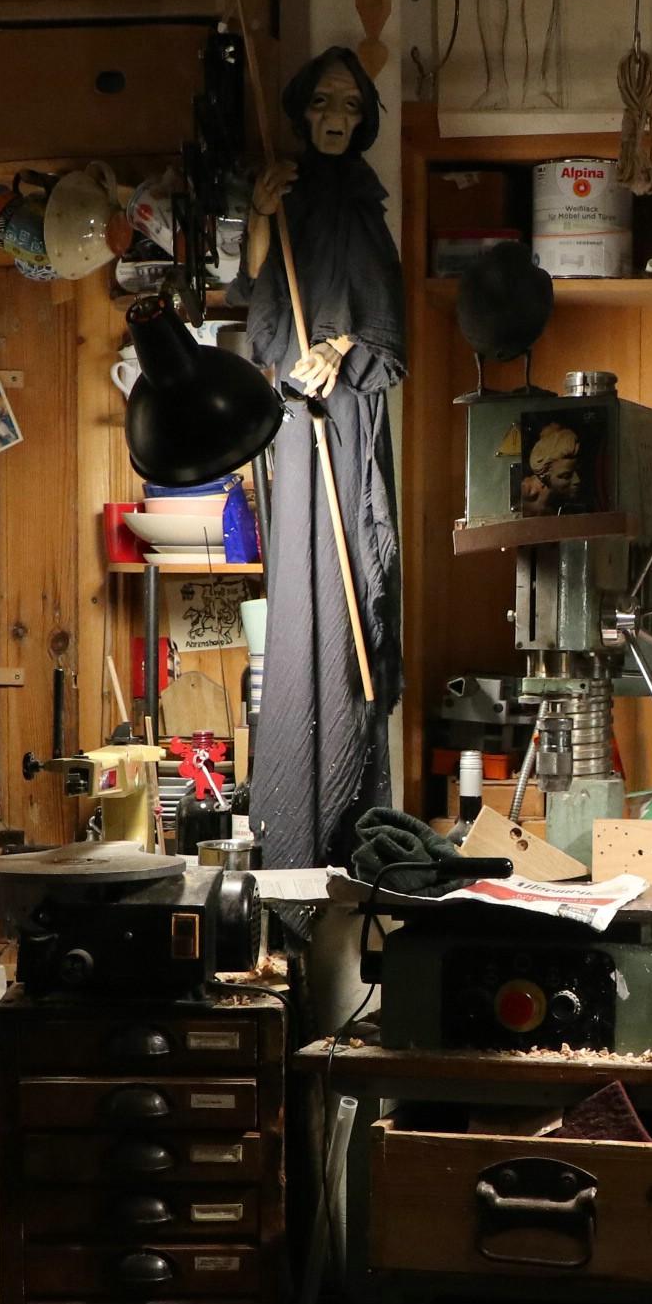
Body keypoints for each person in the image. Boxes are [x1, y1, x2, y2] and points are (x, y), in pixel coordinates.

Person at [236, 51, 405, 869]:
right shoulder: (291, 194)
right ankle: (291, 810)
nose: (335, 116)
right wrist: (261, 213)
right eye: (323, 102)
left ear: (361, 118)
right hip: (295, 426)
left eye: (349, 104)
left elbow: (386, 329)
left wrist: (341, 347)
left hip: (346, 421)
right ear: (304, 112)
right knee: (298, 584)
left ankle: (345, 801)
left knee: (348, 584)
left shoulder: (363, 203)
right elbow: (263, 305)